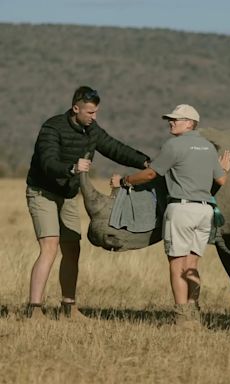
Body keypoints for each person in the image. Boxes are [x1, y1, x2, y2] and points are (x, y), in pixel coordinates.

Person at [25, 86, 150, 320]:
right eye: (90, 113)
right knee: (50, 246)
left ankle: (68, 308)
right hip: (42, 192)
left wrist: (145, 162)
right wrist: (71, 168)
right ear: (76, 108)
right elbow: (47, 161)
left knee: (72, 249)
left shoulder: (92, 129)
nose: (94, 117)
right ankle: (34, 309)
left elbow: (114, 147)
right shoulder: (52, 128)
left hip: (69, 194)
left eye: (96, 112)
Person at [111, 104, 230, 328]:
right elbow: (221, 180)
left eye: (176, 119)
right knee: (192, 264)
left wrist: (125, 181)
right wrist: (222, 168)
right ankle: (193, 312)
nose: (171, 122)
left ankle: (181, 317)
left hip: (182, 210)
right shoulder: (208, 148)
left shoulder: (174, 145)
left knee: (177, 264)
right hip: (205, 212)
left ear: (190, 123)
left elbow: (151, 173)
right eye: (171, 119)